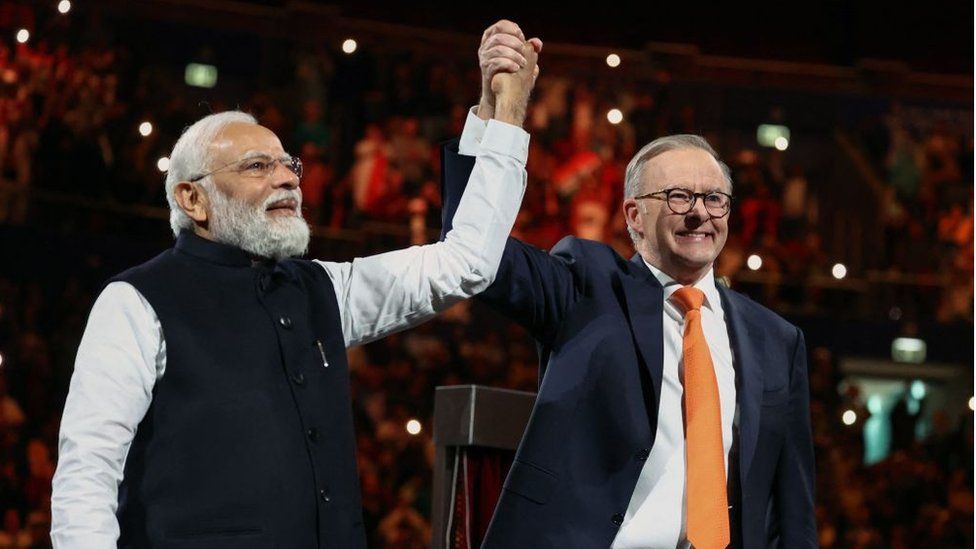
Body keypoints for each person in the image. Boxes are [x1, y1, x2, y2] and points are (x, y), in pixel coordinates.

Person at [50, 37, 541, 548]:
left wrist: (500, 110)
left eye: (289, 165)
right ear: (192, 198)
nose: (287, 179)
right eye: (258, 166)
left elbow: (464, 263)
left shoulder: (323, 288)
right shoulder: (136, 301)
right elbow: (87, 473)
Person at [439, 20, 816, 548]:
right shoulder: (587, 284)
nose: (698, 215)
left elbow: (792, 509)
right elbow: (475, 254)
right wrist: (496, 112)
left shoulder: (777, 340)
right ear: (634, 215)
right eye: (679, 197)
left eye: (714, 199)